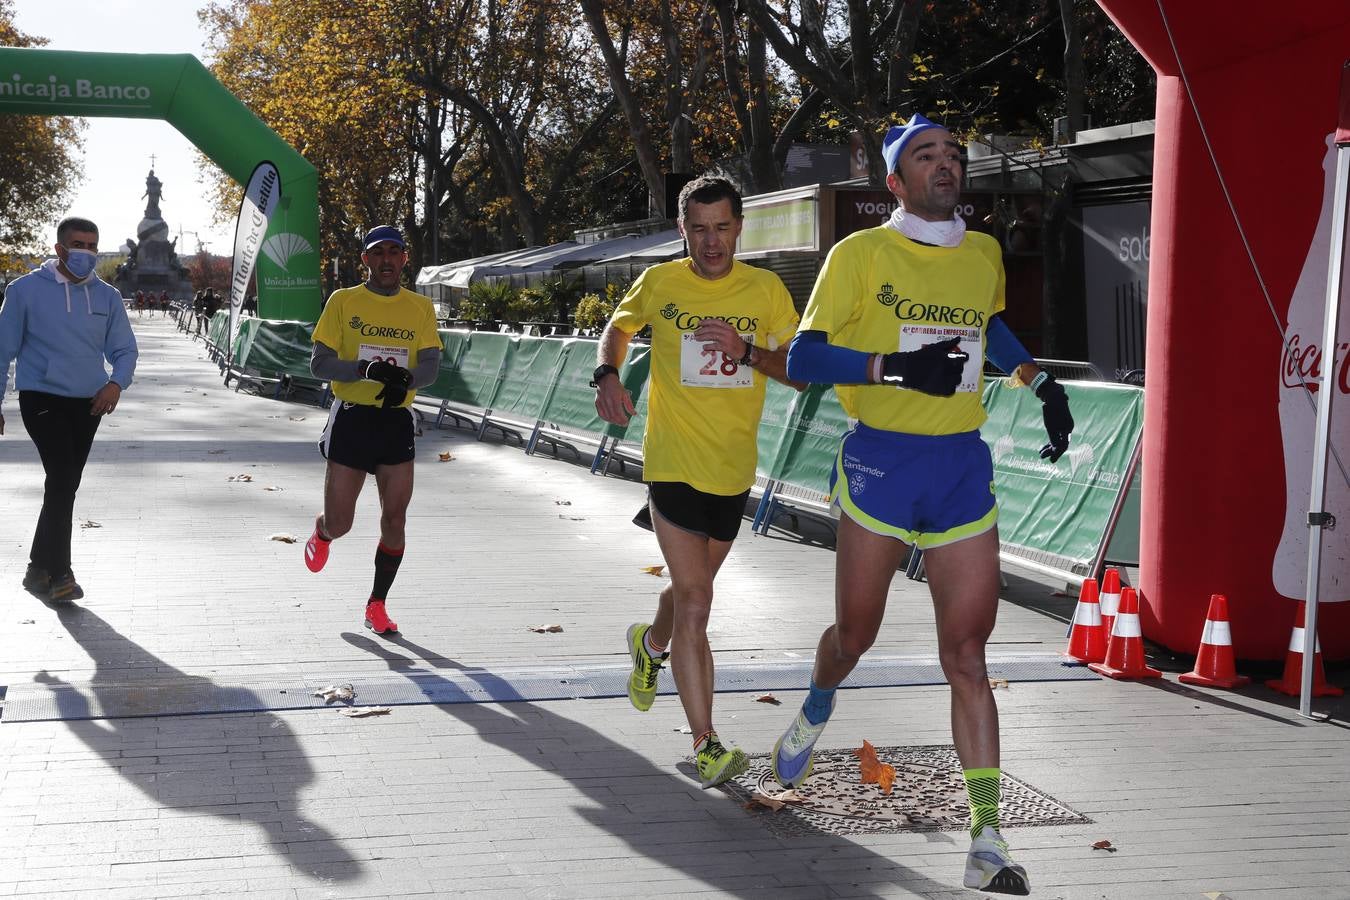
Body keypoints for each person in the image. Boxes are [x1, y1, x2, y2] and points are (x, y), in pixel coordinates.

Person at [766, 115, 1074, 896]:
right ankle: (816, 702)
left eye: (955, 155)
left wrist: (1039, 381)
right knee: (856, 634)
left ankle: (985, 839)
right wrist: (897, 370)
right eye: (926, 156)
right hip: (881, 463)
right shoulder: (859, 253)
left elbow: (989, 325)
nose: (947, 165)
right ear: (896, 183)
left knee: (967, 656)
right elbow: (804, 356)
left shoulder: (983, 253)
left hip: (960, 468)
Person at [594, 175, 801, 789]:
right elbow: (618, 325)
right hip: (673, 462)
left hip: (733, 469)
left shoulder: (766, 291)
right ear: (681, 230)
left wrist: (749, 351)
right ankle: (707, 743)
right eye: (698, 229)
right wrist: (607, 373)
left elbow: (799, 372)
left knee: (692, 593)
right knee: (697, 602)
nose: (711, 242)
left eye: (722, 227)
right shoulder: (661, 281)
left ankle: (648, 643)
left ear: (740, 228)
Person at [303, 226, 441, 635]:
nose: (386, 260)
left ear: (403, 259)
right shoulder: (343, 301)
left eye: (393, 252)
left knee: (395, 520)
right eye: (377, 252)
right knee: (342, 522)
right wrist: (364, 369)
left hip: (395, 420)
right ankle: (323, 530)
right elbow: (319, 364)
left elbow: (431, 366)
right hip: (353, 418)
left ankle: (377, 604)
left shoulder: (419, 307)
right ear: (365, 260)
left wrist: (407, 380)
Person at [0, 216, 139, 604]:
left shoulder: (107, 296)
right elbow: (2, 351)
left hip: (89, 403)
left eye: (94, 246)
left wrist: (116, 383)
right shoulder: (25, 290)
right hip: (41, 398)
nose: (88, 253)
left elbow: (125, 349)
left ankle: (36, 568)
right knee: (62, 477)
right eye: (80, 245)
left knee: (63, 485)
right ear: (60, 248)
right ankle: (61, 574)